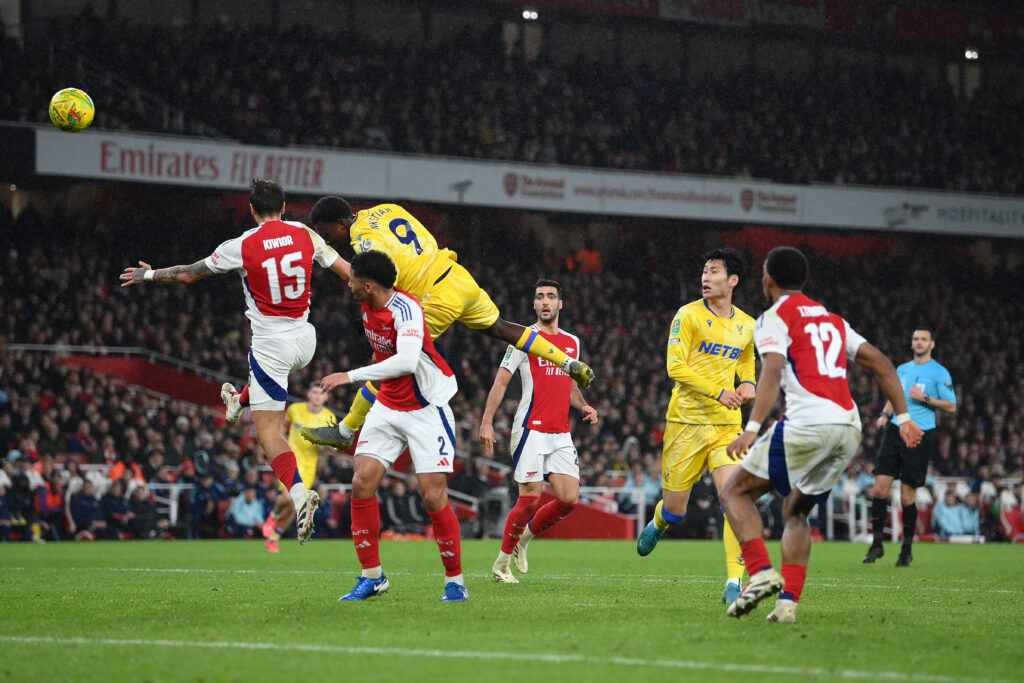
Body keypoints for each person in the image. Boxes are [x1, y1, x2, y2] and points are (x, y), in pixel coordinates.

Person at [120, 178, 349, 545]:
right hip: (306, 341)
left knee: (267, 432)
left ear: (252, 209)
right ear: (285, 205)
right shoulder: (305, 234)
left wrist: (148, 274)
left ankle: (298, 494)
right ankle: (237, 400)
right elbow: (348, 273)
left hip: (272, 345)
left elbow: (189, 274)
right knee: (261, 382)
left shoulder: (241, 245)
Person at [719, 246, 923, 623]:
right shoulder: (832, 320)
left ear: (768, 280)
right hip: (848, 427)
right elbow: (881, 363)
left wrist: (751, 428)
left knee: (734, 490)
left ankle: (761, 573)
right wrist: (905, 417)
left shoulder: (773, 317)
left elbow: (773, 369)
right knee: (796, 510)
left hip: (809, 423)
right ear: (805, 281)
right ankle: (787, 604)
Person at [305, 198, 595, 452]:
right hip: (456, 275)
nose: (329, 240)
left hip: (434, 296)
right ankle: (568, 363)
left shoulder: (363, 243)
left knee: (386, 360)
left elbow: (380, 283)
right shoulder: (384, 209)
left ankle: (345, 432)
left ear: (342, 224)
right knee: (501, 327)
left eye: (328, 234)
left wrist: (330, 260)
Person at [302, 250, 468, 602]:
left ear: (368, 285)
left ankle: (455, 581)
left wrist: (350, 375)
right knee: (361, 483)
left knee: (433, 495)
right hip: (388, 405)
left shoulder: (406, 311)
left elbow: (407, 361)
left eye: (352, 282)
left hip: (426, 406)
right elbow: (338, 264)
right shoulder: (368, 291)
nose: (347, 285)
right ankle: (372, 577)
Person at [634, 247, 756, 606]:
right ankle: (659, 522)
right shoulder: (686, 316)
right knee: (676, 509)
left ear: (732, 280)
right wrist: (721, 390)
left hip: (726, 425)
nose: (706, 277)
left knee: (734, 496)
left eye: (714, 271)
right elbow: (675, 367)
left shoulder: (746, 324)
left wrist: (747, 382)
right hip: (686, 422)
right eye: (704, 270)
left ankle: (734, 580)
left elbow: (748, 355)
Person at [478, 279, 598, 583]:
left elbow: (570, 386)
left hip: (561, 432)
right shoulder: (523, 338)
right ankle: (501, 563)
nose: (545, 302)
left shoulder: (572, 342)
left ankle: (524, 539)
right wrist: (487, 421)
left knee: (568, 498)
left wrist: (583, 405)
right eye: (540, 297)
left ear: (560, 304)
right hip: (530, 428)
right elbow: (502, 381)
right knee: (530, 498)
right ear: (534, 305)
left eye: (551, 297)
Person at [863, 327, 957, 567]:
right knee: (880, 490)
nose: (918, 342)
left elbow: (951, 406)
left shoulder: (939, 372)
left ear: (932, 344)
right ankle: (876, 545)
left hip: (919, 434)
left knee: (907, 495)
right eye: (915, 338)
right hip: (895, 430)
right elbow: (894, 396)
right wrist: (885, 414)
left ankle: (906, 549)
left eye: (923, 339)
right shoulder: (902, 369)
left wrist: (925, 399)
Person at [261, 384, 336, 553]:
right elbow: (281, 426)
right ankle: (274, 515)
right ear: (309, 394)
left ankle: (274, 538)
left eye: (322, 393)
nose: (318, 396)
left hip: (309, 468)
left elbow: (333, 447)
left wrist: (326, 442)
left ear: (326, 398)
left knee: (295, 506)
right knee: (287, 498)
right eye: (315, 392)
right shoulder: (295, 409)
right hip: (290, 461)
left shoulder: (328, 417)